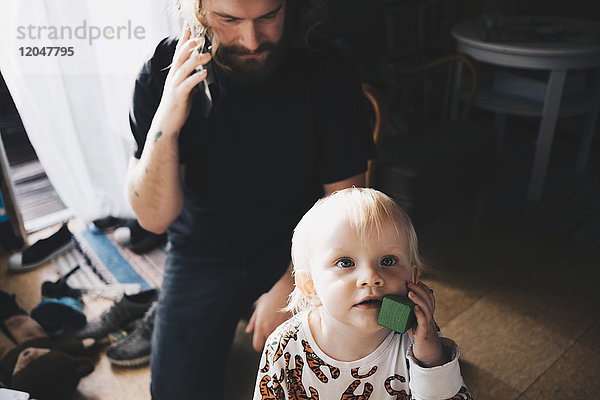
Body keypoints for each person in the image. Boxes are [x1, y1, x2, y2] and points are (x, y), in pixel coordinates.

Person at [126, 0, 374, 397]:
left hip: (306, 247)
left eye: (268, 17)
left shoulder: (328, 67)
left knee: (396, 321)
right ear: (198, 11)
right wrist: (166, 120)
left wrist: (298, 283)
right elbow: (153, 219)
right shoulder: (161, 72)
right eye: (229, 20)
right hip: (202, 253)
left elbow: (345, 204)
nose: (252, 39)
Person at [253, 188, 472, 399]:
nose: (371, 276)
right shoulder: (285, 345)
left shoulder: (418, 340)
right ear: (310, 287)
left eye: (388, 261)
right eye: (346, 263)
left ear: (413, 279)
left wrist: (431, 360)